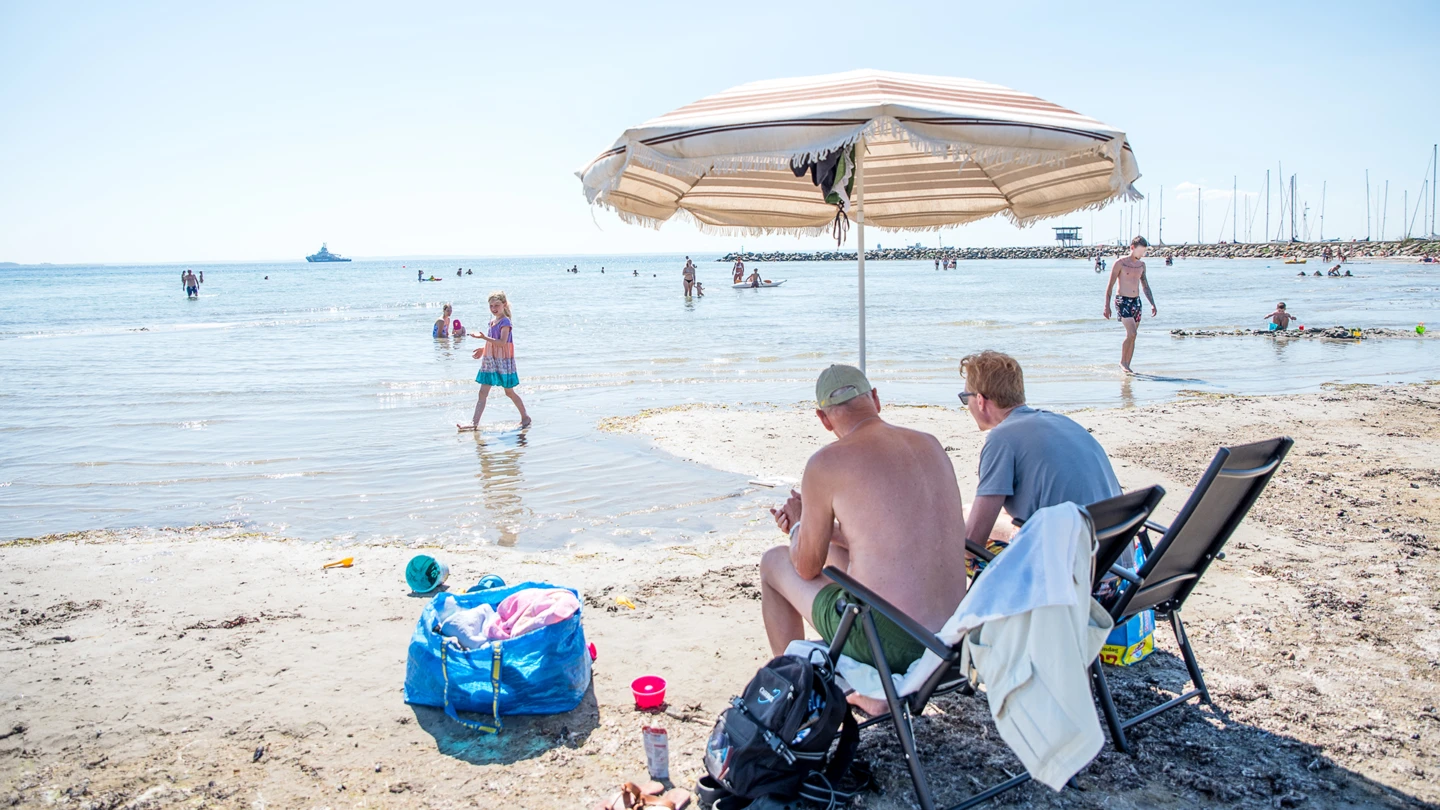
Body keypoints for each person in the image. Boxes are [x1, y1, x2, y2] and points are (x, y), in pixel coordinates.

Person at [761, 365, 968, 708]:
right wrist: (824, 534)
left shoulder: (826, 463)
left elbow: (806, 567)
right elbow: (892, 536)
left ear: (823, 419)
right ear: (875, 399)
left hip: (893, 643)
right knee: (835, 556)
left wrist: (798, 526)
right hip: (952, 636)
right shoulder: (929, 444)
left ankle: (793, 695)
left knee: (773, 563)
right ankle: (866, 694)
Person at [957, 351, 1121, 566]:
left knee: (957, 548)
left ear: (979, 400)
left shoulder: (1002, 438)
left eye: (964, 398)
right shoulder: (1063, 423)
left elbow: (972, 543)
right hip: (1114, 568)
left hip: (1068, 583)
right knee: (970, 512)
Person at [459, 292, 531, 431]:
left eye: (497, 305)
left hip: (502, 361)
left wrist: (483, 338)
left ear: (504, 305)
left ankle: (525, 417)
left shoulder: (505, 322)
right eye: (491, 306)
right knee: (482, 392)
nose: (494, 308)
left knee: (509, 392)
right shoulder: (492, 322)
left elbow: (502, 343)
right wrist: (483, 348)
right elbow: (493, 342)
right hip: (490, 359)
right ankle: (474, 424)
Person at [1102, 236, 1157, 373]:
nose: (1142, 254)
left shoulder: (1141, 265)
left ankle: (1127, 364)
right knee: (1131, 332)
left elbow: (1145, 286)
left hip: (1136, 301)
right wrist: (1106, 306)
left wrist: (1152, 304)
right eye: (1140, 251)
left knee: (1134, 335)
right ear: (1132, 248)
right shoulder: (1120, 263)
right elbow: (1110, 286)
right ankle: (1122, 362)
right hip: (1122, 301)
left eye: (1144, 251)